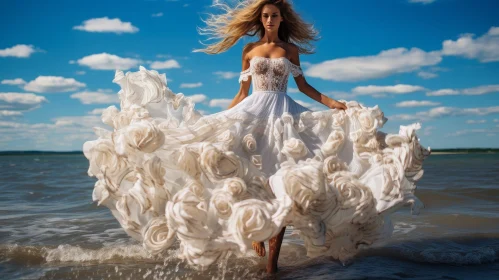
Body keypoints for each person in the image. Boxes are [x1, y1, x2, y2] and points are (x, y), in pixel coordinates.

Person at [83, 0, 431, 275]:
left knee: (286, 181)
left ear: (282, 19)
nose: (269, 20)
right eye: (265, 16)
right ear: (259, 19)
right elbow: (242, 92)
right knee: (250, 177)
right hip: (251, 114)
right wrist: (215, 118)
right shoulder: (248, 51)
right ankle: (257, 230)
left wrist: (333, 103)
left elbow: (304, 86)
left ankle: (271, 267)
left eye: (274, 16)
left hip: (285, 116)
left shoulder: (290, 51)